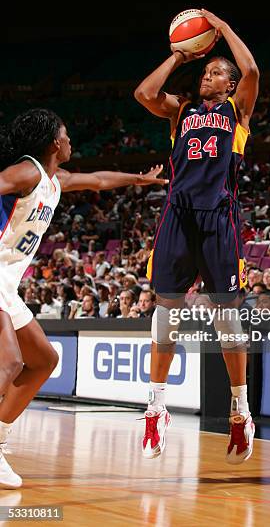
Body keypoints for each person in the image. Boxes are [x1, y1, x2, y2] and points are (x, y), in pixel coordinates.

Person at [0, 108, 168, 488]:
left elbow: (97, 180)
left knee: (44, 360)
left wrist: (138, 179)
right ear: (54, 143)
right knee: (10, 363)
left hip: (7, 283)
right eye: (66, 133)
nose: (71, 139)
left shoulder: (54, 178)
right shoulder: (26, 171)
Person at [134, 8, 259, 463]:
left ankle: (240, 411)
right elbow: (144, 92)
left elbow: (251, 68)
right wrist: (179, 56)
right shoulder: (181, 110)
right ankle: (156, 406)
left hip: (219, 216)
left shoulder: (238, 110)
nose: (207, 76)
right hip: (178, 214)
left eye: (213, 72)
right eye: (204, 72)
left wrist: (221, 28)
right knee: (166, 309)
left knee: (227, 317)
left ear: (228, 84)